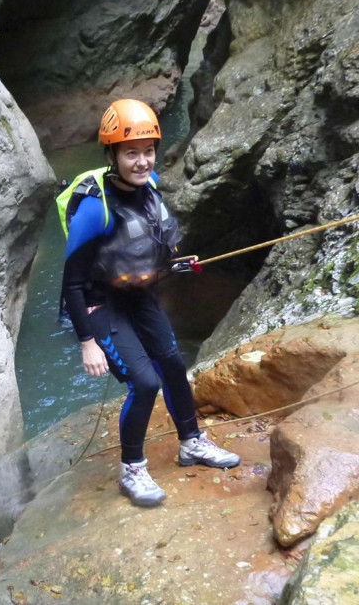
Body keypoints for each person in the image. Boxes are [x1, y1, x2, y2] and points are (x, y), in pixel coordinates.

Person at [60, 98, 240, 507]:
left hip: (138, 296)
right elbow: (71, 282)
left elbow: (144, 252)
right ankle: (132, 469)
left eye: (147, 151)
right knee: (144, 383)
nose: (141, 162)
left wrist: (176, 265)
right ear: (112, 155)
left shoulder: (150, 187)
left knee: (174, 365)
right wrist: (87, 342)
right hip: (99, 306)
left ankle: (191, 442)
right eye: (130, 153)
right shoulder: (94, 208)